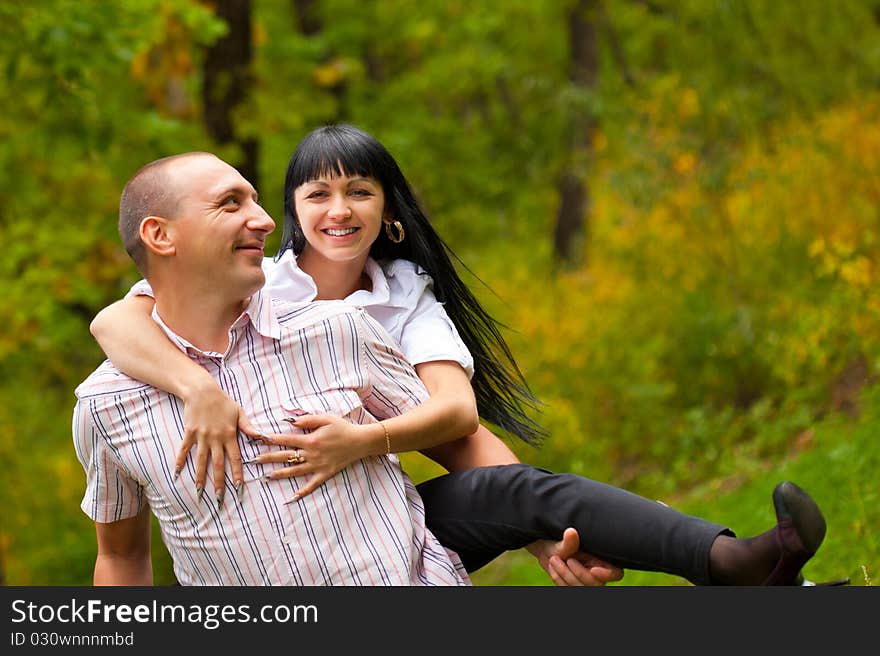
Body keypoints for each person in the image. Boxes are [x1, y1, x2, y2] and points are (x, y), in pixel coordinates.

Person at [89, 126, 830, 586]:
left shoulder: (371, 314)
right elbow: (117, 323)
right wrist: (196, 387)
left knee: (528, 493)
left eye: (359, 193)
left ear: (390, 212)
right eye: (311, 195)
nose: (329, 212)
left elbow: (458, 422)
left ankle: (739, 567)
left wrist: (542, 539)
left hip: (394, 548)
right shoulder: (251, 298)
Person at [73, 151, 475, 585]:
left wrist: (543, 529)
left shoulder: (340, 329)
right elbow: (121, 558)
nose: (266, 220)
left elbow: (458, 432)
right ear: (160, 235)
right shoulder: (105, 405)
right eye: (230, 203)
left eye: (256, 201)